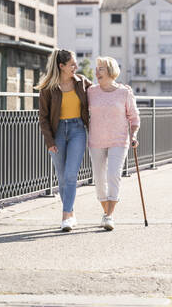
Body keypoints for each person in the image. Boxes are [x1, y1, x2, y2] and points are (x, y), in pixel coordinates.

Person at [36, 49, 93, 231]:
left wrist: (120, 89)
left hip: (77, 130)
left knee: (70, 175)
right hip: (57, 132)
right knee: (61, 178)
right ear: (61, 66)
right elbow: (43, 118)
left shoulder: (81, 82)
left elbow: (100, 92)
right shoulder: (48, 88)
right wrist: (49, 141)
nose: (75, 66)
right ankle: (71, 213)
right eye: (72, 64)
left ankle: (65, 215)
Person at [87, 56, 140, 231]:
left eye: (100, 68)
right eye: (96, 69)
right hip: (96, 140)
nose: (96, 72)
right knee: (99, 179)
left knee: (113, 175)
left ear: (111, 71)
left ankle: (109, 216)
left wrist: (133, 135)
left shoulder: (124, 92)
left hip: (119, 139)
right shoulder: (91, 91)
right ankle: (106, 212)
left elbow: (133, 117)